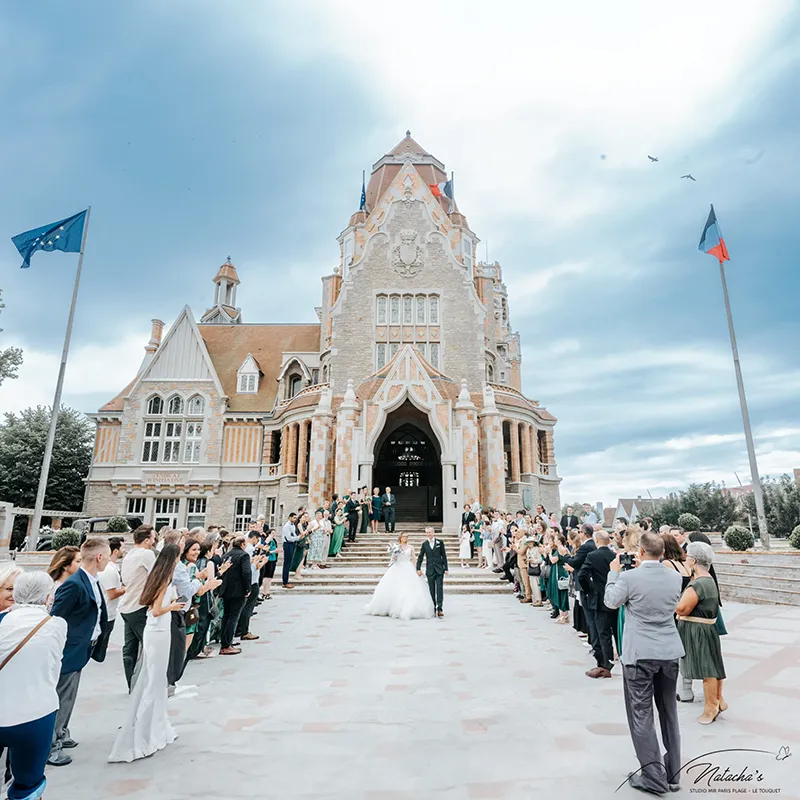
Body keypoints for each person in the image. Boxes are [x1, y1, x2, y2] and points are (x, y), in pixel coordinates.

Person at [604, 532, 684, 796]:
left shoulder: (629, 577)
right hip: (669, 650)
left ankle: (653, 777)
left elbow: (611, 602)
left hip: (640, 653)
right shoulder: (675, 577)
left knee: (641, 714)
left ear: (640, 552)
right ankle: (672, 773)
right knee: (669, 711)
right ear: (661, 553)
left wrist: (613, 574)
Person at [108, 544, 184, 763]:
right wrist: (173, 606)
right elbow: (156, 609)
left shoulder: (157, 576)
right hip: (158, 630)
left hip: (157, 629)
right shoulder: (164, 579)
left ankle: (156, 723)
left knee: (155, 679)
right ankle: (143, 728)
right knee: (153, 680)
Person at [0, 572, 68, 800]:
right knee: (29, 784)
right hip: (36, 713)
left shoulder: (2, 621)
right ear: (49, 597)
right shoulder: (57, 625)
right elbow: (53, 669)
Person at [48, 537, 111, 767]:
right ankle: (50, 746)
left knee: (70, 695)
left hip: (83, 647)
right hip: (69, 649)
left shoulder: (92, 580)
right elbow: (56, 618)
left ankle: (62, 733)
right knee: (61, 697)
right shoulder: (74, 583)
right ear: (99, 557)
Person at [676, 541, 727, 725]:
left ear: (694, 560)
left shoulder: (699, 583)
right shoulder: (707, 579)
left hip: (699, 630)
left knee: (708, 669)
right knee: (712, 667)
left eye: (688, 556)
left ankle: (711, 707)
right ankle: (718, 701)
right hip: (705, 628)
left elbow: (682, 608)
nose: (685, 559)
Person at [119, 525, 157, 690]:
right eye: (154, 538)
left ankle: (131, 684)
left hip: (126, 606)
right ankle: (149, 684)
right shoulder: (146, 554)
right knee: (151, 646)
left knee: (130, 648)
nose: (155, 542)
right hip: (139, 606)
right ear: (147, 540)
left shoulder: (129, 555)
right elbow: (158, 575)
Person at [365, 533, 434, 620]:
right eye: (404, 536)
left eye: (407, 536)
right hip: (397, 567)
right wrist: (394, 557)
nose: (405, 538)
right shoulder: (396, 547)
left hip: (408, 567)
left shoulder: (411, 547)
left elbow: (413, 558)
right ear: (400, 538)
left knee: (410, 588)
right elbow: (393, 559)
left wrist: (417, 569)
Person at [578, 530, 616, 678]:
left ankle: (605, 664)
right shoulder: (614, 556)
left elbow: (582, 575)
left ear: (597, 541)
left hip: (598, 597)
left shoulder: (592, 556)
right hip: (615, 597)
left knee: (602, 632)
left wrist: (588, 590)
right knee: (616, 631)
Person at [218, 535, 252, 655]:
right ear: (242, 544)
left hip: (226, 589)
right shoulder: (244, 555)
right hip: (238, 590)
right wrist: (248, 588)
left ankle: (225, 642)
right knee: (233, 617)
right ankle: (227, 644)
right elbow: (246, 572)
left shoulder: (226, 555)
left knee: (226, 617)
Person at [236, 531, 265, 642]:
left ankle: (241, 629)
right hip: (251, 581)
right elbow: (251, 568)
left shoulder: (248, 549)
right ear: (254, 538)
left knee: (246, 607)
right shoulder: (249, 549)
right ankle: (244, 630)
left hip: (251, 580)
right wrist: (260, 563)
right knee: (248, 607)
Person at [416, 527, 448, 618]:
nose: (429, 534)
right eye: (427, 533)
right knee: (431, 590)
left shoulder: (440, 542)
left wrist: (446, 568)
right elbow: (420, 557)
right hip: (430, 570)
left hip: (439, 569)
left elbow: (444, 556)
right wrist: (418, 568)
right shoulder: (424, 544)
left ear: (433, 532)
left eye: (430, 532)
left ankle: (440, 608)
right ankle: (433, 607)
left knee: (439, 589)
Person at [98, 537, 126, 639]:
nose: (125, 550)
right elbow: (112, 594)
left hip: (109, 613)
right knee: (100, 649)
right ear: (115, 551)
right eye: (123, 548)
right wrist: (126, 589)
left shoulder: (112, 567)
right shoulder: (109, 570)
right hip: (107, 614)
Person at [547, 533, 570, 623]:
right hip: (560, 571)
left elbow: (553, 560)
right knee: (562, 592)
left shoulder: (560, 549)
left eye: (556, 539)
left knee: (560, 592)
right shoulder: (564, 549)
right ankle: (565, 615)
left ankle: (562, 615)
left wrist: (549, 553)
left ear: (559, 541)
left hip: (559, 572)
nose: (554, 541)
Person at [259, 528, 279, 600]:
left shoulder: (274, 541)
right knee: (266, 576)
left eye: (274, 533)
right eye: (272, 533)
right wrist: (274, 551)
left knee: (270, 577)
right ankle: (264, 592)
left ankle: (267, 591)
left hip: (273, 559)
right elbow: (265, 551)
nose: (273, 534)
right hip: (268, 559)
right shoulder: (268, 541)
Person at [281, 513, 299, 589]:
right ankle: (285, 581)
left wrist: (297, 537)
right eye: (294, 518)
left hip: (292, 544)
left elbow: (294, 535)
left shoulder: (293, 525)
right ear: (290, 517)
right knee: (287, 563)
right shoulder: (286, 526)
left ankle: (286, 580)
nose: (295, 519)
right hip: (287, 544)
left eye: (295, 518)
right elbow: (288, 538)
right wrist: (298, 538)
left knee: (289, 562)